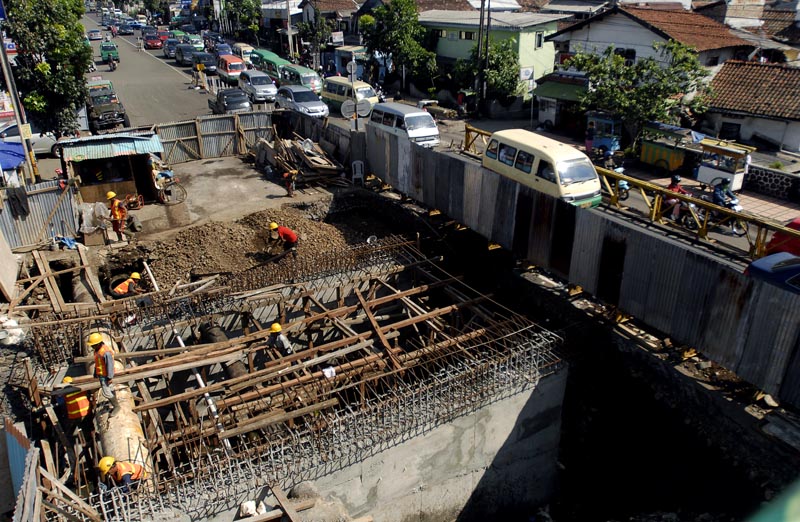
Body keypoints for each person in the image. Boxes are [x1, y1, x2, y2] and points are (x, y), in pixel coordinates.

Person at [89, 333, 120, 414]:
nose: (91, 347)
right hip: (101, 374)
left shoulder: (105, 352)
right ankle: (114, 403)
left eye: (93, 345)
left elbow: (109, 365)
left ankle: (116, 406)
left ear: (98, 343)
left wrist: (109, 377)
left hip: (105, 375)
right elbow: (98, 362)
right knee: (110, 389)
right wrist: (96, 372)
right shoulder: (97, 350)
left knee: (106, 392)